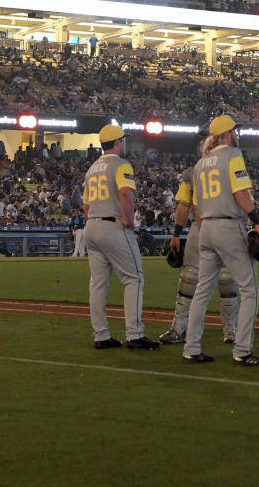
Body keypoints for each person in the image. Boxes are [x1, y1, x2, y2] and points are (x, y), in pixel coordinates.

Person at [182, 115, 259, 366]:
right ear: (226, 134)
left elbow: (196, 206)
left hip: (206, 227)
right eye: (234, 131)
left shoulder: (200, 164)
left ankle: (192, 347)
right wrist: (257, 222)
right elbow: (240, 192)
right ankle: (242, 351)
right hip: (228, 225)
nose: (237, 135)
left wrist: (208, 229)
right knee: (249, 288)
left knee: (202, 291)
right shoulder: (232, 156)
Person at [82, 125, 159, 350]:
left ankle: (101, 335)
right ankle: (135, 334)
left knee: (97, 284)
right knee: (134, 279)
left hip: (93, 225)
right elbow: (125, 193)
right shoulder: (121, 165)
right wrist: (128, 221)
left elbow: (86, 207)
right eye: (123, 140)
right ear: (117, 142)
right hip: (113, 226)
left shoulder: (91, 169)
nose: (124, 143)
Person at [160, 134, 239, 346]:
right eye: (202, 140)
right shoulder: (198, 170)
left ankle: (230, 329)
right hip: (202, 227)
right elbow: (184, 204)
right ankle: (179, 327)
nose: (203, 144)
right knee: (189, 278)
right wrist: (176, 233)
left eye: (207, 139)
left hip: (221, 225)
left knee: (226, 278)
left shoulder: (219, 165)